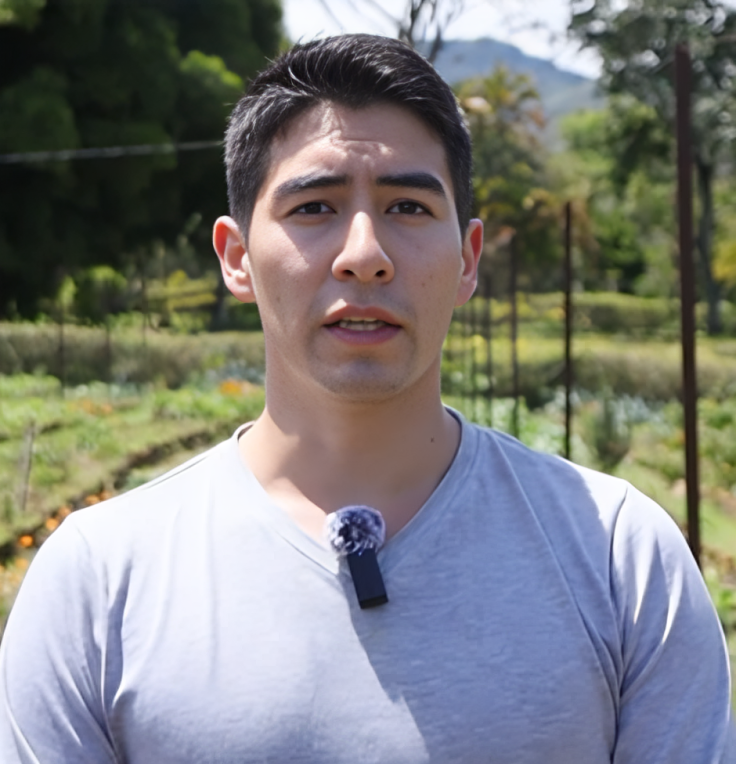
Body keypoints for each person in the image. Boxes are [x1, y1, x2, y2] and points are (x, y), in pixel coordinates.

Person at [0, 34, 733, 764]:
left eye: (408, 207)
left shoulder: (620, 556)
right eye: (313, 206)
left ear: (468, 258)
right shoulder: (98, 579)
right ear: (236, 257)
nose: (365, 255)